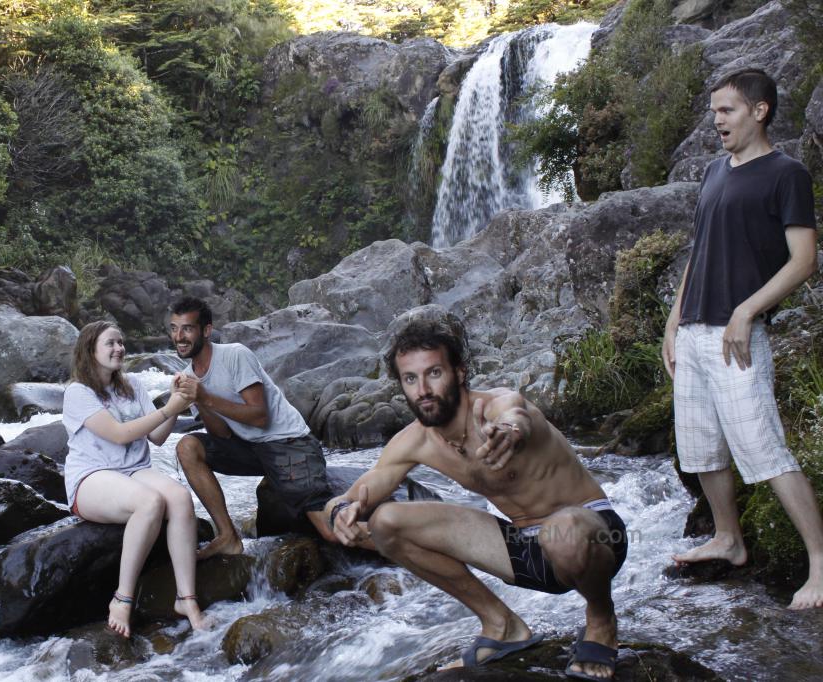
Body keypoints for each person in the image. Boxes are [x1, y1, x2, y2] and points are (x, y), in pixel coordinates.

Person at [327, 314, 627, 680]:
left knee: (561, 529)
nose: (422, 389)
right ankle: (502, 626)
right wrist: (343, 511)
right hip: (525, 553)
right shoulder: (414, 441)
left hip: (592, 536)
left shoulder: (495, 405)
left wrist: (509, 431)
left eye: (433, 373)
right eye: (410, 378)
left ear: (460, 372)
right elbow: (356, 492)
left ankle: (600, 619)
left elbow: (515, 412)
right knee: (385, 522)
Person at [661, 68, 823, 610]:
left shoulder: (786, 173)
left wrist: (749, 310)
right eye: (713, 112)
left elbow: (804, 260)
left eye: (726, 110)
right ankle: (729, 540)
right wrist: (673, 321)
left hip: (738, 338)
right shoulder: (713, 171)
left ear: (760, 110)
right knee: (701, 445)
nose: (717, 121)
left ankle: (820, 562)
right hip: (695, 332)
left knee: (765, 450)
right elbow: (699, 249)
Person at [62, 320, 211, 638]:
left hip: (133, 470)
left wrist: (175, 404)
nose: (119, 348)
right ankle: (123, 598)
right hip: (92, 475)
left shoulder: (132, 387)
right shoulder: (78, 392)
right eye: (110, 343)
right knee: (150, 502)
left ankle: (186, 598)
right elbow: (117, 435)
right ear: (90, 350)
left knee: (181, 498)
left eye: (120, 342)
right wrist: (167, 408)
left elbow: (156, 436)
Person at [170, 297, 339, 559]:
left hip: (288, 442)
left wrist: (205, 397)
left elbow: (260, 416)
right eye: (174, 328)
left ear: (206, 330)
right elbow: (221, 435)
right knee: (187, 446)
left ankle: (410, 546)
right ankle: (227, 536)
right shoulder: (188, 375)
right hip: (251, 448)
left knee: (329, 531)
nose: (179, 336)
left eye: (187, 328)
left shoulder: (235, 355)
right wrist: (198, 400)